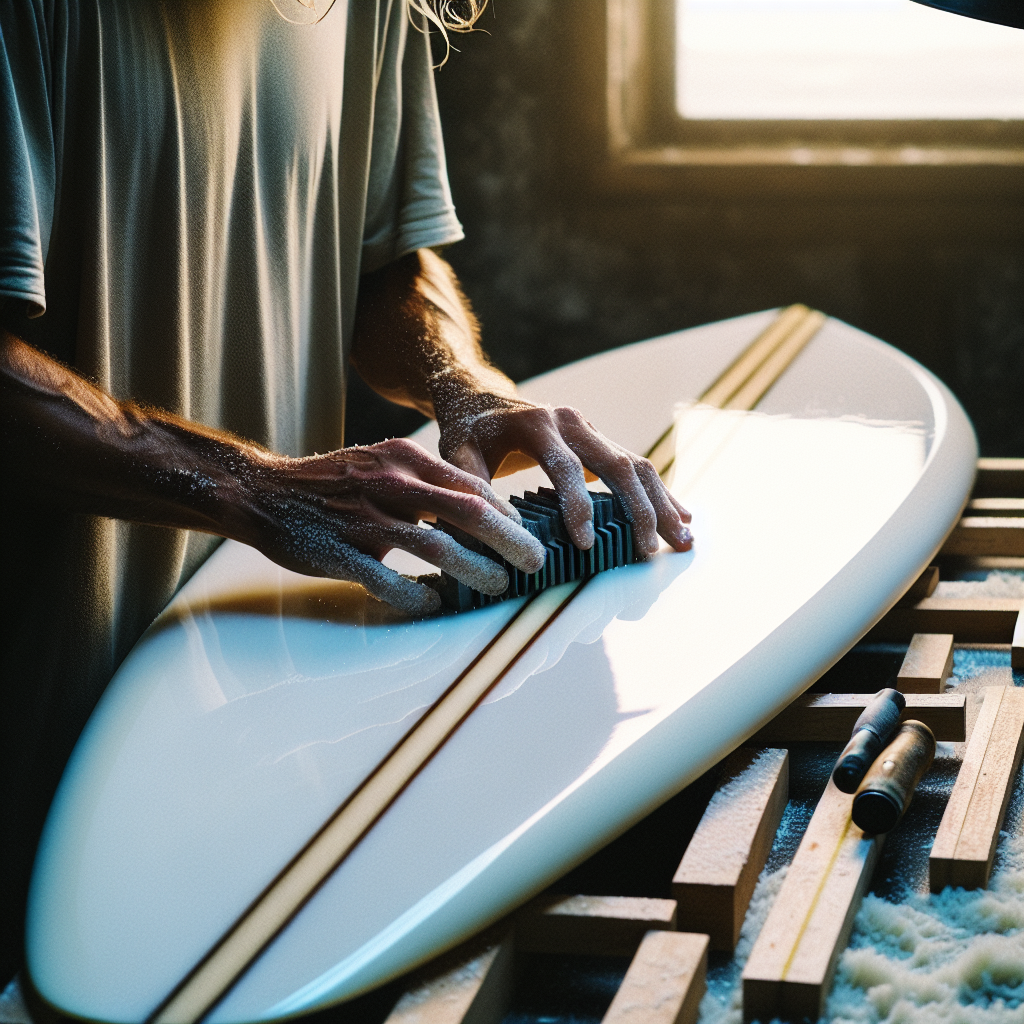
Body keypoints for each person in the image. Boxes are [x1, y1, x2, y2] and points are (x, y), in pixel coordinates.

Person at [0, 0, 691, 985]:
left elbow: (382, 264)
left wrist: (462, 381)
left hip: (272, 691)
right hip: (45, 725)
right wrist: (244, 484)